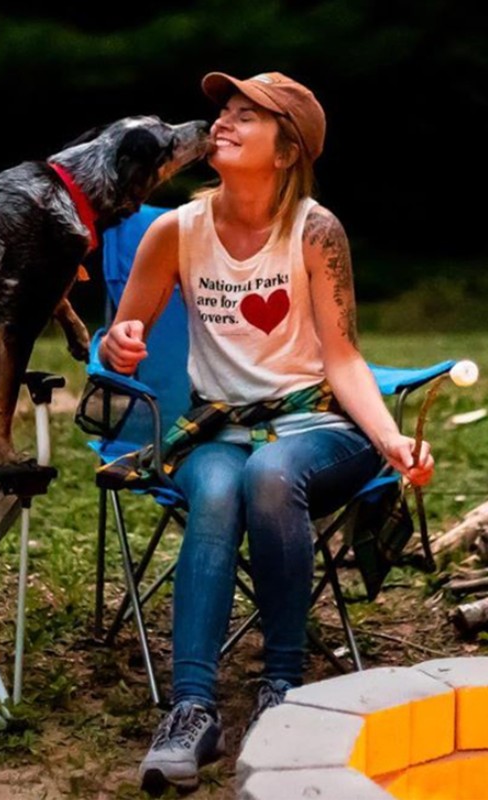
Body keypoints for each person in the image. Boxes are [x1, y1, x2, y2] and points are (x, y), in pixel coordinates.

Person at [99, 70, 435, 794]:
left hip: (315, 424)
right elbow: (118, 339)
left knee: (271, 473)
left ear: (286, 151)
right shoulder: (175, 230)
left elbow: (343, 359)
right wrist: (120, 345)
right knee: (221, 487)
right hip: (216, 429)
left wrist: (390, 441)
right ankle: (193, 709)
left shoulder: (316, 232)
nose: (223, 121)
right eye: (225, 109)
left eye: (248, 116)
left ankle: (282, 688)